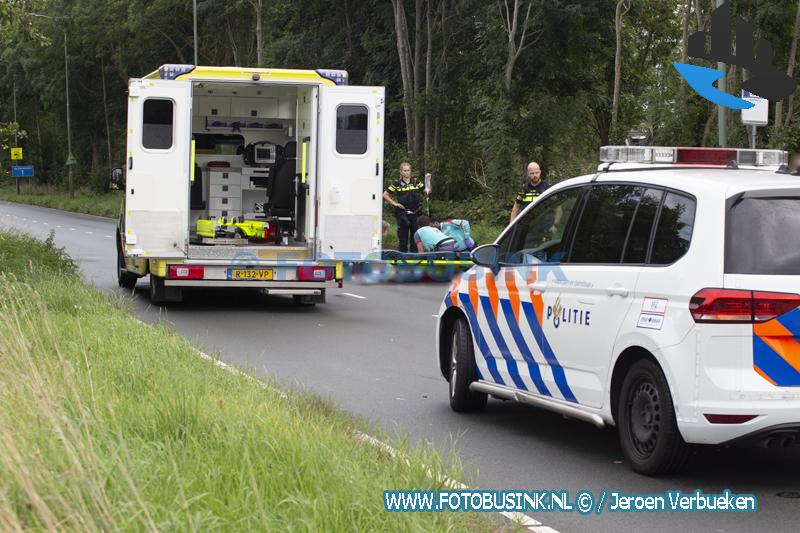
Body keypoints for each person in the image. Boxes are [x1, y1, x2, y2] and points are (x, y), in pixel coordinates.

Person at [383, 162, 431, 252]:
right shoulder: (397, 183)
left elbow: (428, 191)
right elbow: (385, 194)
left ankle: (414, 259)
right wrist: (394, 203)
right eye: (405, 170)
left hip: (416, 213)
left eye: (408, 170)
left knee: (415, 238)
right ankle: (402, 259)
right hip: (403, 214)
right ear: (401, 172)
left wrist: (427, 180)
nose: (407, 172)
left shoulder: (416, 182)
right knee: (403, 239)